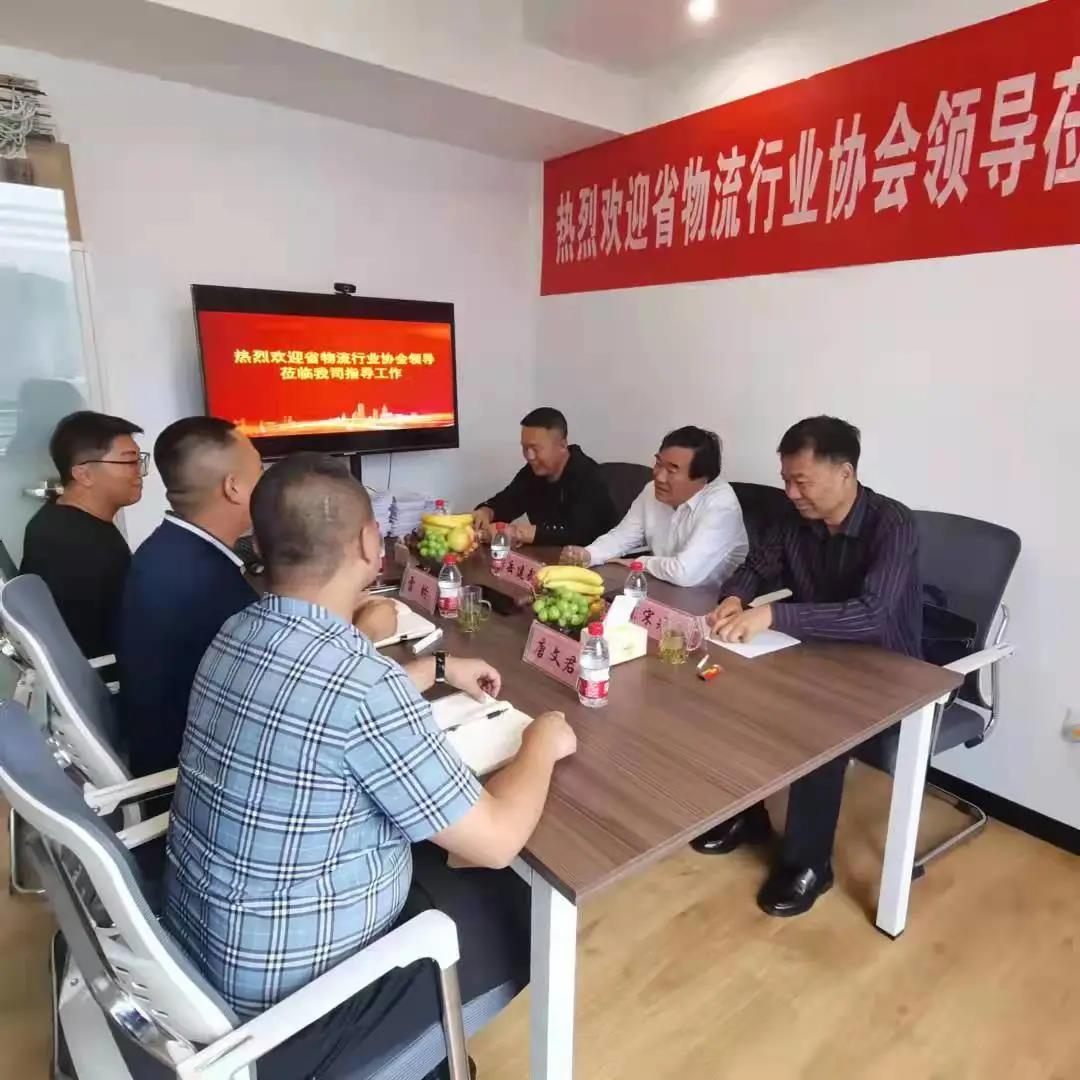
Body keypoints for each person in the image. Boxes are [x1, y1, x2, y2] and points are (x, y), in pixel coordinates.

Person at [165, 453, 576, 1079]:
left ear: (263, 544)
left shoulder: (236, 631)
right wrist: (541, 740)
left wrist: (437, 669)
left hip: (207, 948)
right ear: (367, 543)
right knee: (521, 903)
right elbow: (497, 841)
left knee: (444, 856)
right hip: (294, 1004)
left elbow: (319, 695)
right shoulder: (360, 685)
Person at [692, 416, 921, 918]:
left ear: (845, 473)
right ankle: (747, 814)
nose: (792, 493)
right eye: (786, 480)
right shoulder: (794, 516)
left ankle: (808, 864)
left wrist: (773, 614)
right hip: (815, 651)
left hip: (886, 669)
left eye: (802, 481)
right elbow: (758, 566)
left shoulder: (893, 524)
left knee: (819, 727)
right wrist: (735, 598)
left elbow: (873, 614)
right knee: (727, 686)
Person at [117, 418, 398, 779]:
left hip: (181, 737)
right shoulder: (205, 586)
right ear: (234, 487)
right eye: (260, 471)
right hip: (197, 766)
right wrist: (365, 633)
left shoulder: (169, 551)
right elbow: (304, 695)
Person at [20, 410, 144, 661]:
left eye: (139, 461)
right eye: (130, 462)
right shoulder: (77, 546)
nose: (139, 472)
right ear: (84, 474)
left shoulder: (62, 518)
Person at [560, 426, 748, 589]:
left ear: (702, 479)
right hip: (662, 586)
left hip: (713, 600)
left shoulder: (721, 505)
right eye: (658, 464)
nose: (659, 476)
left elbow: (684, 573)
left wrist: (638, 563)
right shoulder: (652, 490)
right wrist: (589, 554)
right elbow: (622, 536)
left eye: (672, 470)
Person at [472, 406, 617, 547]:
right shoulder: (532, 472)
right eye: (525, 448)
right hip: (547, 557)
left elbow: (581, 533)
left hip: (596, 559)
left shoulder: (588, 475)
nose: (529, 456)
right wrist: (487, 511)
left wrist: (521, 532)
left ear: (562, 445)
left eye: (535, 448)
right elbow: (508, 500)